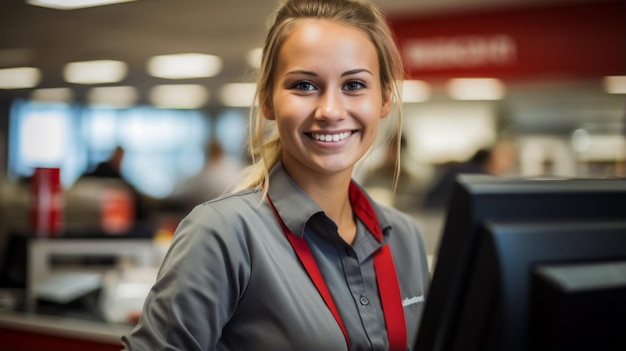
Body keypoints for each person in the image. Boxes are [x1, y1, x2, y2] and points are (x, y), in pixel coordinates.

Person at [122, 0, 430, 350]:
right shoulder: (222, 234)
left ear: (385, 97)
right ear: (268, 99)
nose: (330, 111)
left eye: (354, 85)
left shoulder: (404, 238)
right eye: (304, 85)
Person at [422, 141, 517, 209]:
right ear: (490, 158)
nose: (509, 163)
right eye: (505, 157)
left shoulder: (466, 171)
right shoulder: (475, 177)